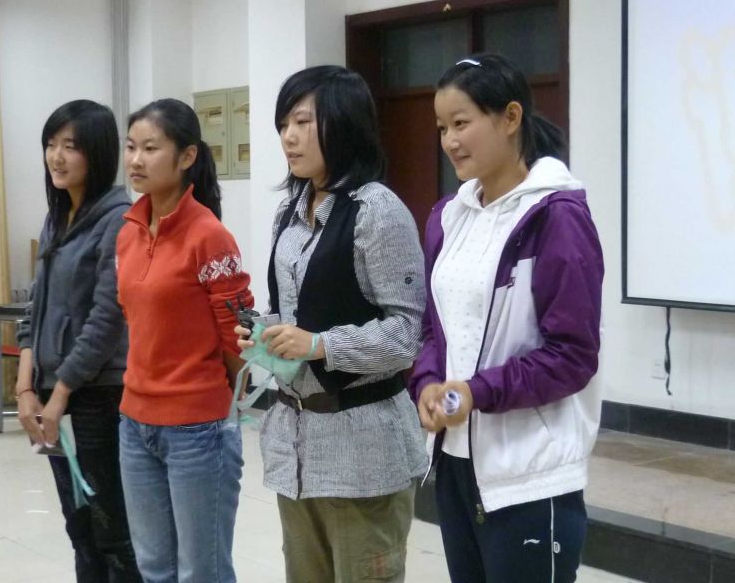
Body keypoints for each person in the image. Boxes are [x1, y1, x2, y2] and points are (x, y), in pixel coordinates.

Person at [408, 53, 604, 583]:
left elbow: (572, 355)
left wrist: (477, 392)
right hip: (456, 462)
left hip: (530, 472)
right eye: (442, 127)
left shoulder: (557, 216)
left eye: (462, 123)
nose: (450, 141)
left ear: (511, 117)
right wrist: (427, 383)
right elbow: (434, 328)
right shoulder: (449, 216)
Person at [235, 65, 428, 583]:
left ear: (343, 123)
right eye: (283, 125)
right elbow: (296, 313)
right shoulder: (289, 210)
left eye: (302, 122)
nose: (288, 137)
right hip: (296, 448)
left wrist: (319, 345)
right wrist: (264, 332)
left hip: (363, 452)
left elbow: (406, 334)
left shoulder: (378, 211)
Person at [116, 98, 252, 583]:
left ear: (187, 156)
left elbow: (237, 340)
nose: (136, 160)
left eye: (151, 148)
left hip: (198, 428)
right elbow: (136, 322)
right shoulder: (128, 233)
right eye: (131, 147)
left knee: (202, 572)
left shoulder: (209, 236)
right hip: (135, 422)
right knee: (154, 568)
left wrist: (226, 412)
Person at [15, 99, 142, 582]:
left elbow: (107, 318)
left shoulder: (119, 219)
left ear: (98, 152)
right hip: (54, 396)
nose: (56, 156)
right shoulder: (57, 216)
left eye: (70, 146)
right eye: (51, 144)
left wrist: (59, 395)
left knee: (112, 530)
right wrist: (26, 388)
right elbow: (36, 307)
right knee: (79, 526)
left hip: (98, 395)